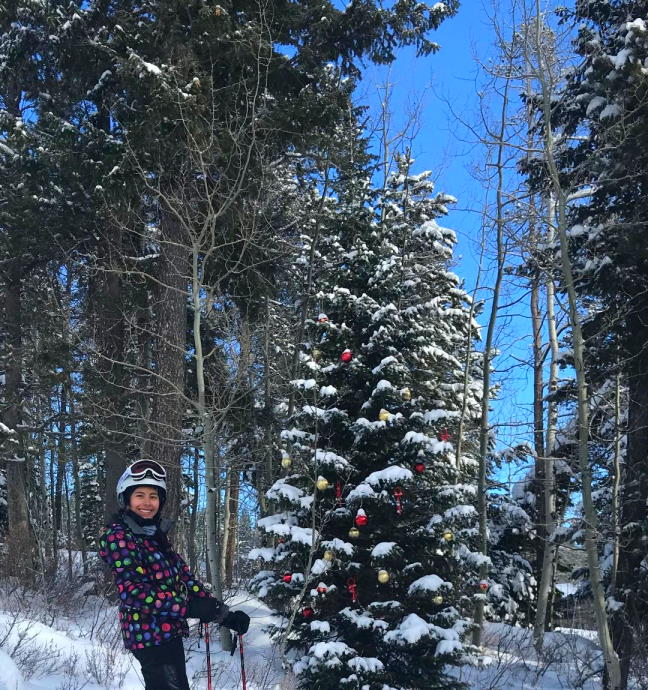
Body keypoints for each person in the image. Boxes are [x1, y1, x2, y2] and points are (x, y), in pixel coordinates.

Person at [99, 459, 250, 690]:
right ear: (126, 498)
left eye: (154, 496)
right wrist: (188, 608)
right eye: (140, 495)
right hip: (148, 635)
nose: (147, 502)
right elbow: (134, 592)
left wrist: (222, 614)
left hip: (168, 632)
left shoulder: (155, 535)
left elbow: (185, 579)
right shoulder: (119, 536)